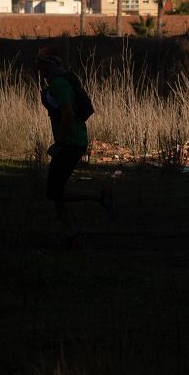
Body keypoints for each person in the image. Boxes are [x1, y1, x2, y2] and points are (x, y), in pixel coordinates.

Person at [36, 46, 113, 249]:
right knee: (55, 191)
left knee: (54, 192)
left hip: (71, 143)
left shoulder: (59, 85)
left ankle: (100, 198)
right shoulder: (60, 82)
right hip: (72, 142)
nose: (38, 67)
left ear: (50, 65)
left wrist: (59, 142)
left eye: (41, 63)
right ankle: (72, 235)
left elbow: (68, 113)